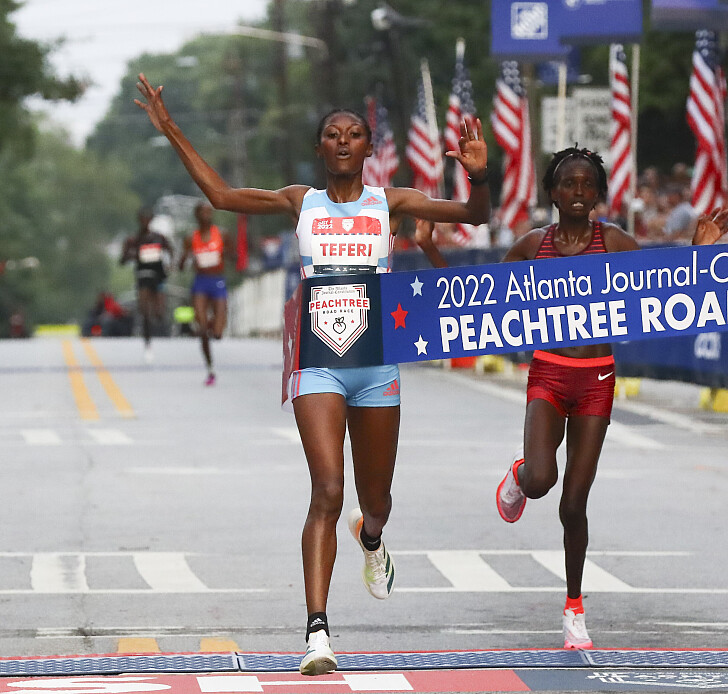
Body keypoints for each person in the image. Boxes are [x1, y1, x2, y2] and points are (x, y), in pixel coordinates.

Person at [134, 73, 490, 675]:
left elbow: (474, 214)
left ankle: (371, 538)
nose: (343, 141)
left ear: (369, 147)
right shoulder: (301, 201)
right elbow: (221, 195)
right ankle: (317, 633)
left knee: (375, 500)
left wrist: (479, 175)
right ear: (319, 147)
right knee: (327, 490)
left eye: (354, 134)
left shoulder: (392, 203)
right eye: (332, 134)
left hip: (376, 363)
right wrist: (171, 129)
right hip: (317, 361)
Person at [416, 146, 728, 650]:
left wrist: (699, 252)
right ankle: (520, 474)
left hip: (596, 380)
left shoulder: (615, 242)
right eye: (569, 184)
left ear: (599, 194)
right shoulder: (531, 246)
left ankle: (574, 609)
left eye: (588, 184)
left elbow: (670, 285)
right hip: (549, 373)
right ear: (553, 193)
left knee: (574, 504)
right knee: (543, 480)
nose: (579, 192)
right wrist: (429, 248)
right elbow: (474, 298)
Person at [179, 201, 234, 386]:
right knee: (202, 330)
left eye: (209, 212)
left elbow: (234, 256)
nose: (207, 215)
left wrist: (226, 253)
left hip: (217, 282)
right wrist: (185, 257)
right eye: (203, 212)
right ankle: (210, 368)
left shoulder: (222, 234)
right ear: (197, 215)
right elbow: (180, 266)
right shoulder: (191, 238)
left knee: (217, 334)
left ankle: (214, 324)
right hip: (200, 283)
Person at [119, 206, 174, 362]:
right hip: (143, 275)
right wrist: (133, 255)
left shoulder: (159, 238)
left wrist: (170, 264)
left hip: (158, 275)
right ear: (139, 220)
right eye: (142, 219)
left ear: (151, 220)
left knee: (159, 312)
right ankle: (147, 341)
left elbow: (170, 250)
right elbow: (122, 260)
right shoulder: (133, 240)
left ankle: (161, 327)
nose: (145, 222)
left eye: (147, 219)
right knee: (144, 311)